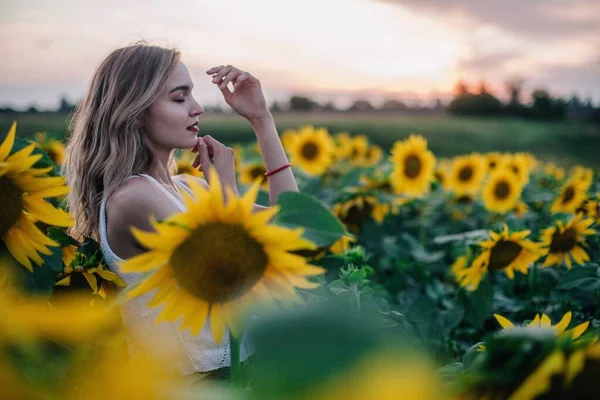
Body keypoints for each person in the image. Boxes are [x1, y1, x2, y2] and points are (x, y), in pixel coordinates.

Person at [62, 41, 298, 379]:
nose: (197, 108)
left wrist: (262, 121)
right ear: (135, 109)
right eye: (179, 98)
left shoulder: (188, 188)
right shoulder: (133, 198)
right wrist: (227, 192)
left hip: (239, 377)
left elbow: (295, 227)